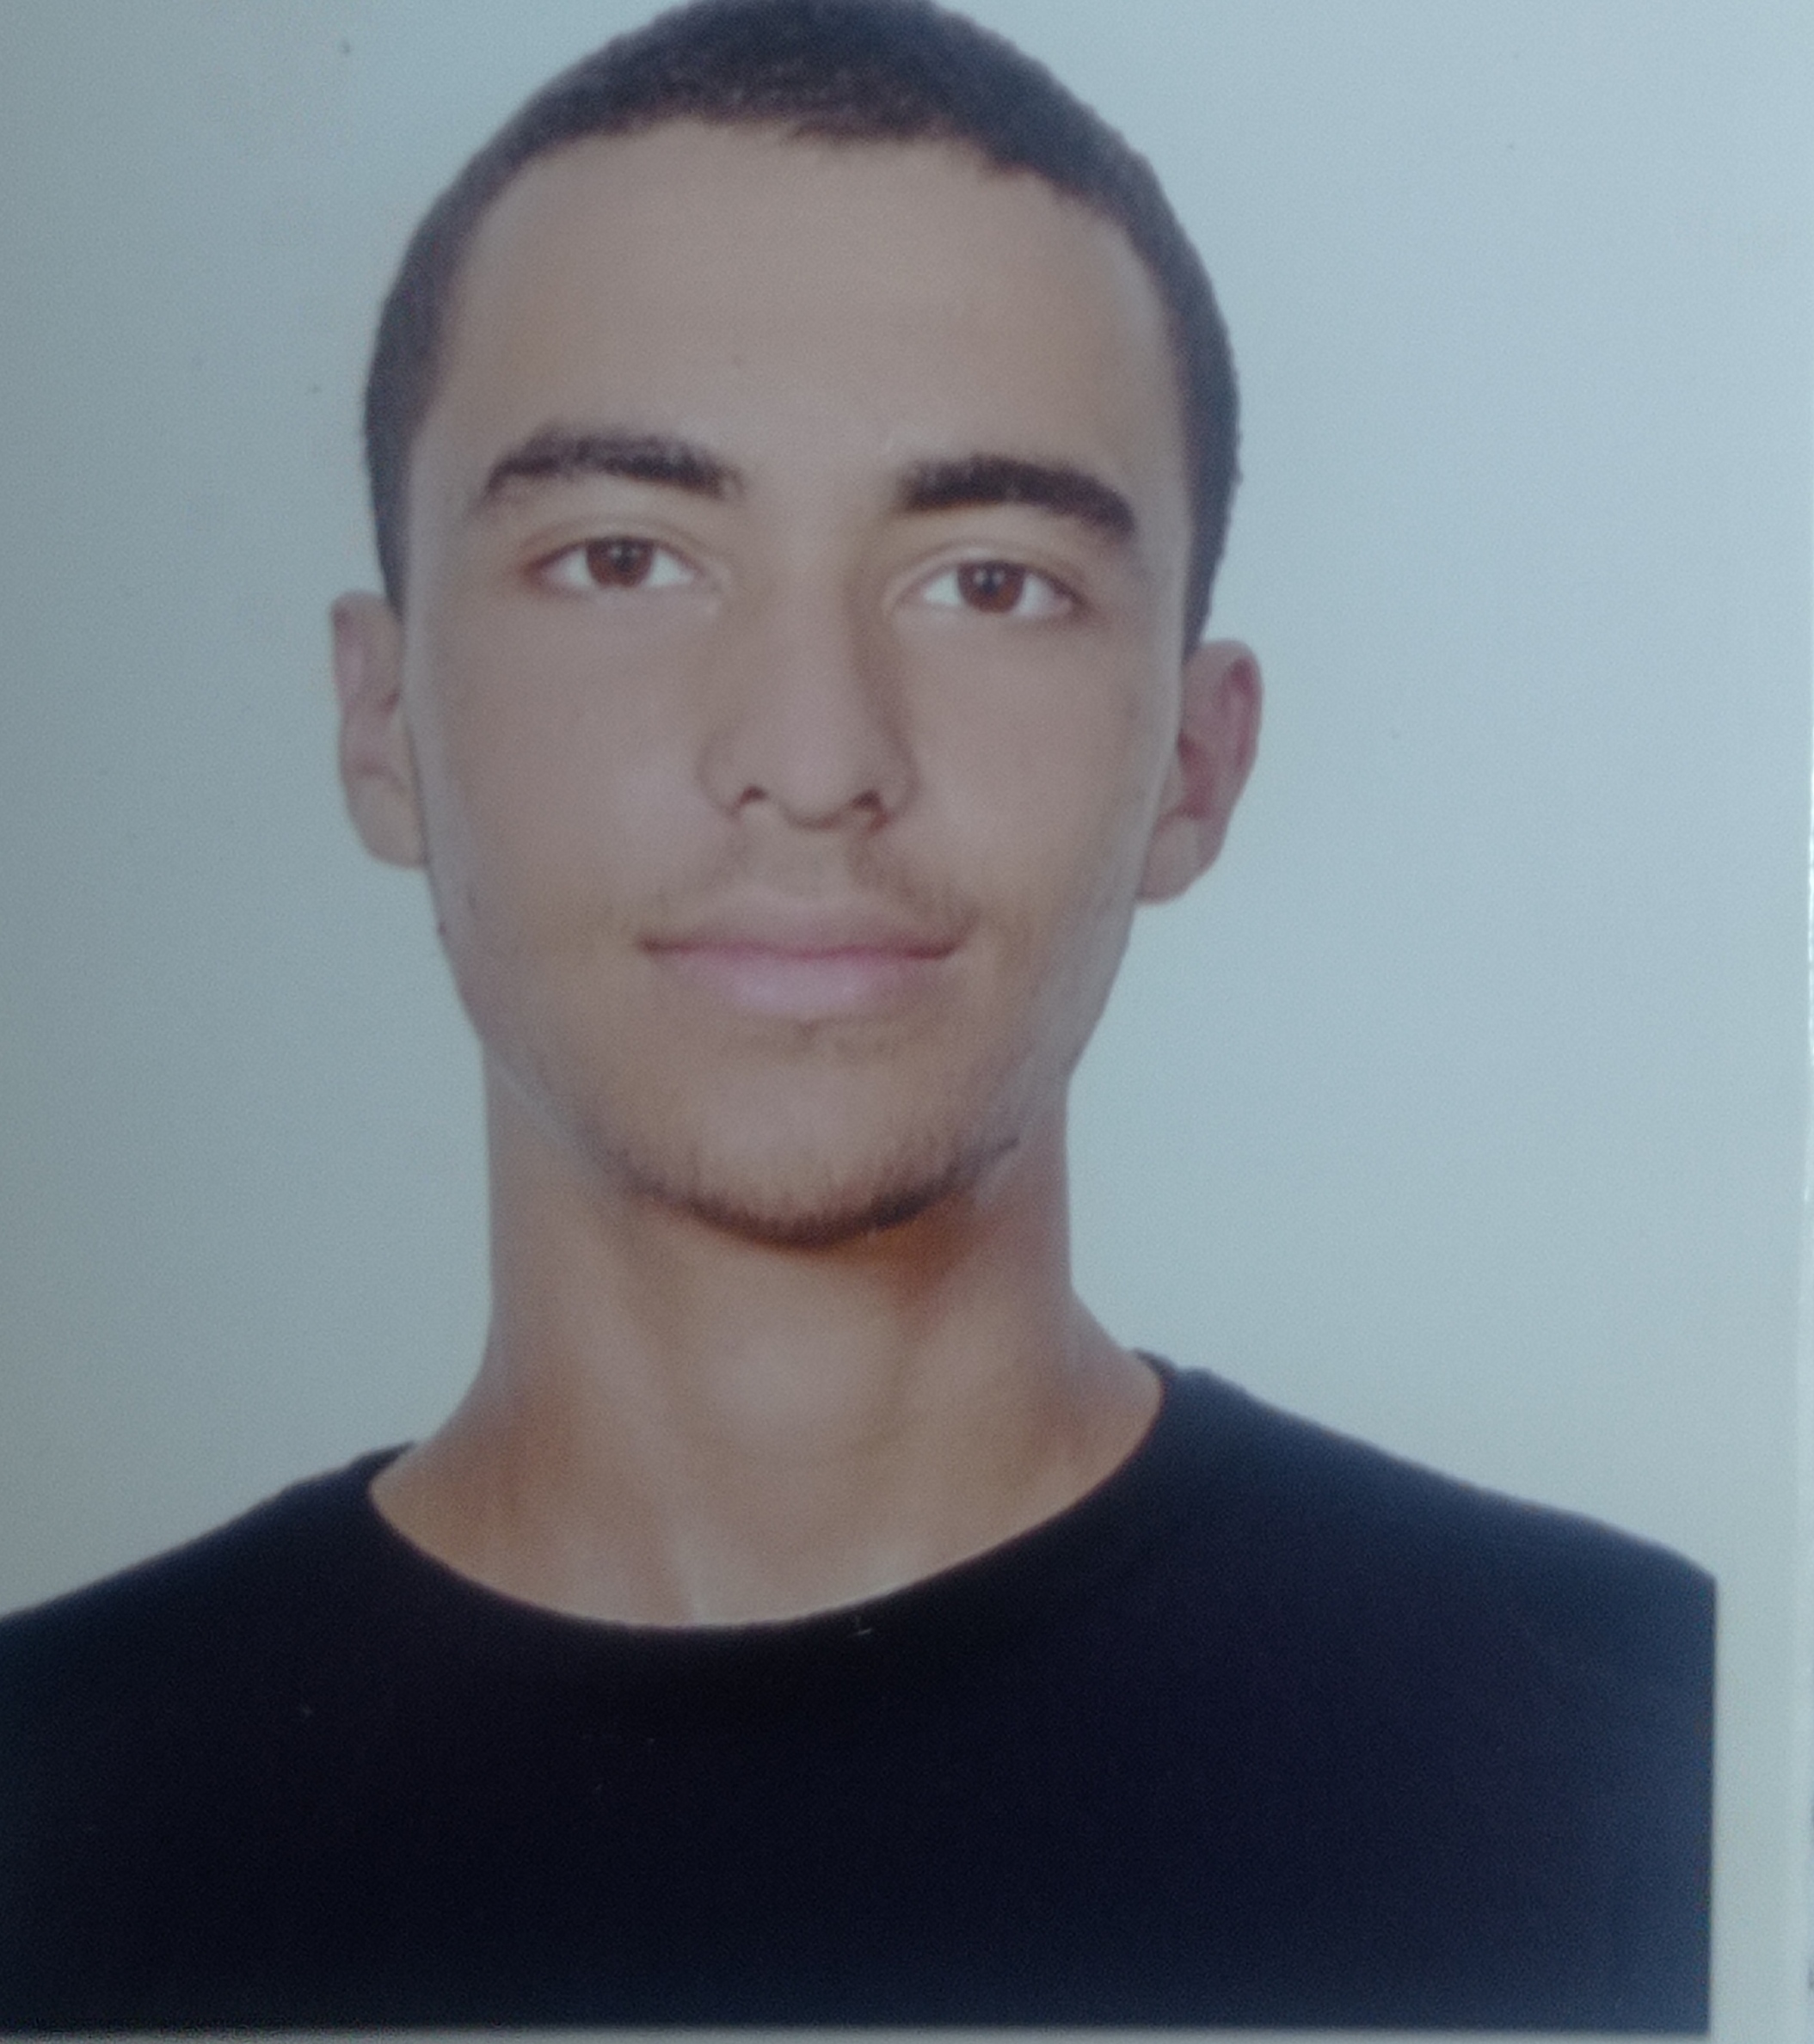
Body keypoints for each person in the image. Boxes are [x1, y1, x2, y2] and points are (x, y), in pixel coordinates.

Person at [0, 0, 1712, 2029]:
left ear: (1194, 759)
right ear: (382, 725)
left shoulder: (1653, 1758)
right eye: (623, 558)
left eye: (988, 582)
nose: (812, 762)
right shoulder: (50, 1810)